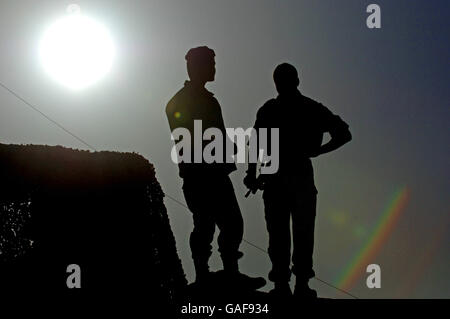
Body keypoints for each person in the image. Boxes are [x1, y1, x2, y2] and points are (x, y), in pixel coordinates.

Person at [244, 63, 352, 298]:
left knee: (288, 234)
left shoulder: (273, 109)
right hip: (289, 178)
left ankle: (289, 284)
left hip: (285, 179)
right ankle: (293, 284)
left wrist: (251, 174)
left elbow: (344, 133)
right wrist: (251, 173)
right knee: (292, 234)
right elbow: (343, 133)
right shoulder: (308, 108)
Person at [166, 46, 265, 289]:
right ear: (195, 67)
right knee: (205, 223)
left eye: (214, 63)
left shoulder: (208, 100)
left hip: (216, 172)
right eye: (210, 63)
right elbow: (189, 137)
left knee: (232, 223)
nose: (214, 68)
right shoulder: (180, 101)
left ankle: (230, 272)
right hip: (199, 175)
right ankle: (203, 275)